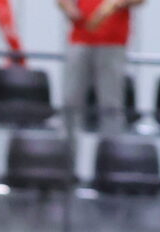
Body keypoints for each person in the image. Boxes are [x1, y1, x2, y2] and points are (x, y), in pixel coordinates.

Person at [61, 0, 144, 133]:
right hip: (80, 37)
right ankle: (68, 143)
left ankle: (111, 143)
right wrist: (70, 9)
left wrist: (116, 4)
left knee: (110, 101)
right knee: (71, 98)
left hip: (112, 42)